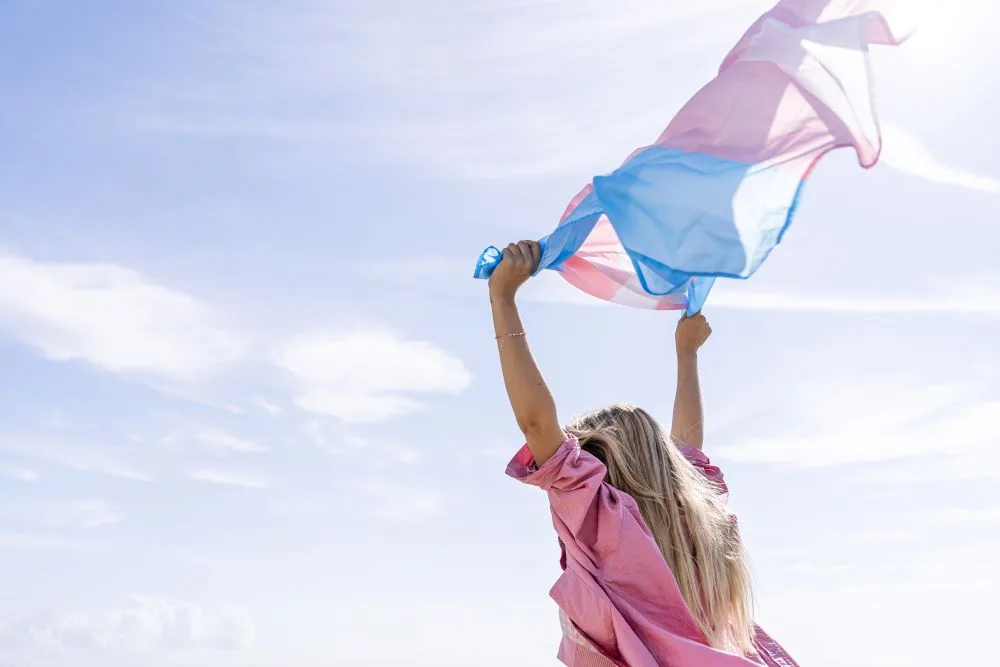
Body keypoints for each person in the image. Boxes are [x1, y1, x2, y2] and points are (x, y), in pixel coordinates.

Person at [489, 240, 798, 667]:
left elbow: (537, 423)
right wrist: (686, 353)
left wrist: (502, 297)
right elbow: (690, 447)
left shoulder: (598, 514)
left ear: (599, 455)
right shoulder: (698, 516)